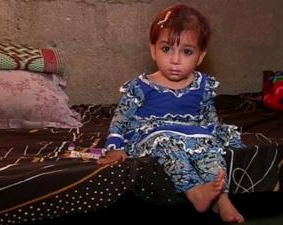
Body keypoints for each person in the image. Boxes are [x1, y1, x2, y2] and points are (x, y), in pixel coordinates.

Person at [97, 4, 245, 223]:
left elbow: (208, 117)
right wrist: (114, 147)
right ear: (153, 50)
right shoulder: (142, 86)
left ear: (200, 56)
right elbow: (121, 119)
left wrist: (214, 137)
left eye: (187, 51)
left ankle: (222, 200)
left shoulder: (203, 85)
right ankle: (195, 192)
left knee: (210, 150)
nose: (175, 60)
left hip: (190, 134)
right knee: (166, 143)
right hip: (152, 136)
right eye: (167, 49)